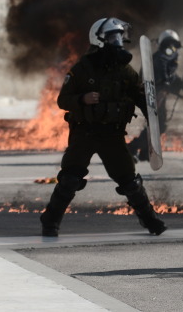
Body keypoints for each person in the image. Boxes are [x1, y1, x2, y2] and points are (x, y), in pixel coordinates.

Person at [40, 17, 167, 237]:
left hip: (112, 135)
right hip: (84, 132)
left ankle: (150, 221)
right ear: (98, 39)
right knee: (70, 179)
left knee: (130, 182)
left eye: (119, 37)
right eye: (112, 37)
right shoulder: (82, 69)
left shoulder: (125, 71)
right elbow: (63, 100)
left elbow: (141, 98)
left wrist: (153, 117)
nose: (117, 41)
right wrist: (82, 99)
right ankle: (50, 221)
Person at [128, 29, 182, 163]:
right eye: (168, 44)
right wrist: (166, 84)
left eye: (173, 44)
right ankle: (132, 147)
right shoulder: (160, 58)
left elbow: (172, 77)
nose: (171, 48)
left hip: (159, 94)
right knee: (157, 125)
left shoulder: (168, 58)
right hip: (154, 94)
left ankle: (145, 151)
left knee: (156, 124)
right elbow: (161, 76)